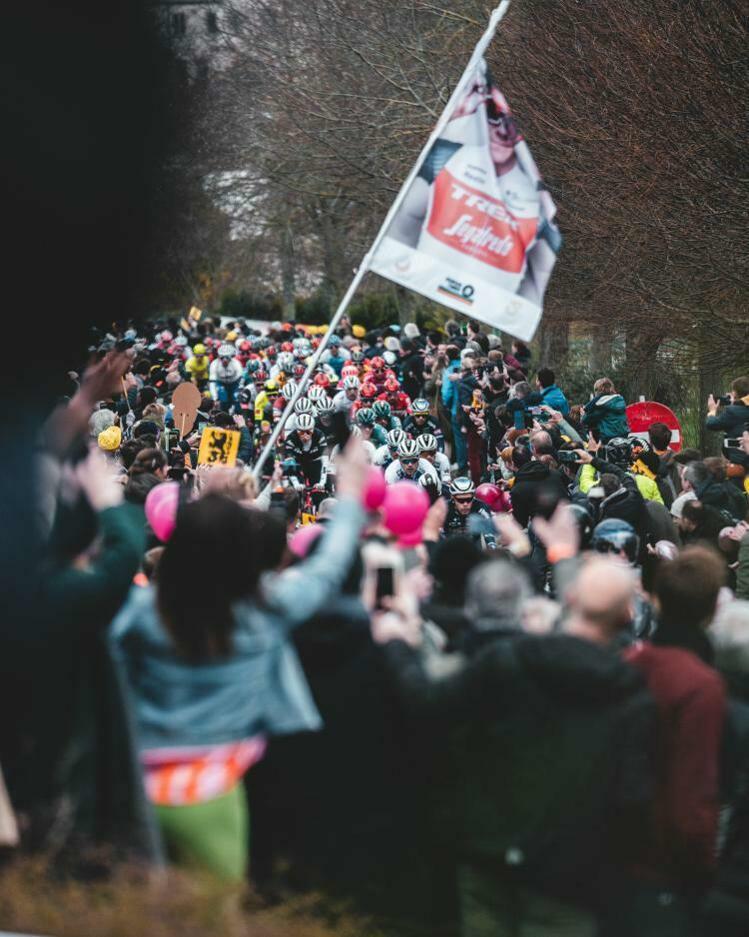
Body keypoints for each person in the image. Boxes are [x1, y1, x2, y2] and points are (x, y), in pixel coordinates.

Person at [109, 442, 369, 882]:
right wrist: (351, 496)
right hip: (212, 791)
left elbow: (100, 574)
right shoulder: (264, 613)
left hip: (133, 787)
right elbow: (327, 569)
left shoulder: (140, 611)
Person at [371, 554, 654, 937]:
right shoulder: (632, 696)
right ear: (626, 617)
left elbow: (429, 705)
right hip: (569, 874)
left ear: (568, 600)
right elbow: (633, 799)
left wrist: (398, 646)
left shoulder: (507, 660)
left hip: (489, 853)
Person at [442, 477, 497, 549]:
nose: (465, 504)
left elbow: (488, 532)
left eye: (469, 499)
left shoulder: (480, 507)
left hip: (474, 546)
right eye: (460, 500)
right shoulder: (444, 509)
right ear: (453, 498)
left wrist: (492, 547)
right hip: (449, 547)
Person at [582, 378, 629, 443]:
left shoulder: (602, 404)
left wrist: (583, 414)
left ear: (597, 391)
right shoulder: (619, 399)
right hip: (624, 435)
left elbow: (586, 420)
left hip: (609, 438)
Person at [706, 376, 749, 440]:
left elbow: (712, 424)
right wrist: (735, 404)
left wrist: (712, 411)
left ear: (735, 393)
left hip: (738, 449)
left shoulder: (733, 412)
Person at [209, 344, 243, 412]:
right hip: (221, 383)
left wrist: (240, 391)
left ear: (231, 357)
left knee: (237, 400)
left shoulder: (237, 363)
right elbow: (212, 383)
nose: (224, 360)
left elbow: (241, 380)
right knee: (223, 400)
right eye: (222, 358)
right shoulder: (214, 364)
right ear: (219, 357)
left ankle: (238, 416)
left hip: (235, 383)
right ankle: (224, 416)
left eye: (227, 357)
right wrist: (215, 398)